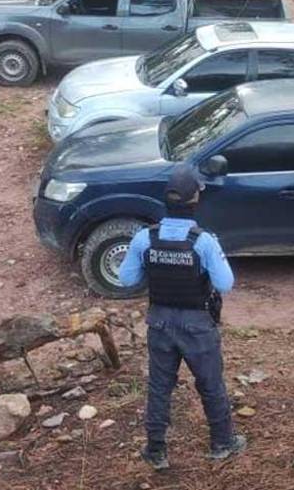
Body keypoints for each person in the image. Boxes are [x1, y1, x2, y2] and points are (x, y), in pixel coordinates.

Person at [118, 164, 247, 469]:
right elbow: (225, 283)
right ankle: (222, 443)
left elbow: (126, 278)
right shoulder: (203, 241)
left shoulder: (144, 238)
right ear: (195, 200)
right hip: (197, 325)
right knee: (210, 383)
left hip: (159, 322)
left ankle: (156, 451)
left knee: (159, 387)